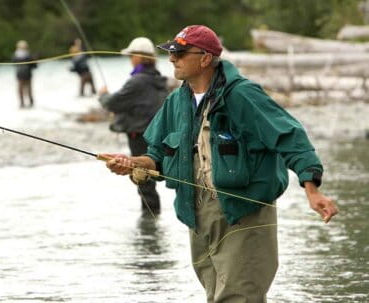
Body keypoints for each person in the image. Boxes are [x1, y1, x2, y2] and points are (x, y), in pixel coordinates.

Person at [102, 25, 338, 302]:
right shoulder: (176, 102)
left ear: (204, 58)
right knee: (216, 296)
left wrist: (312, 189)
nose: (172, 59)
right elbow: (155, 156)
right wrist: (131, 164)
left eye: (179, 53)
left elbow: (290, 138)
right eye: (170, 52)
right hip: (197, 215)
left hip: (244, 212)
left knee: (239, 296)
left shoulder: (244, 95)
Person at [98, 37, 168, 215]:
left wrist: (103, 95)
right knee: (148, 179)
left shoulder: (137, 81)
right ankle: (152, 225)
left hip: (139, 135)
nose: (130, 60)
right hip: (155, 135)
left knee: (143, 180)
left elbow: (113, 103)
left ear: (138, 57)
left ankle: (148, 223)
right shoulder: (158, 79)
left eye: (131, 56)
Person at [11, 40, 37, 108]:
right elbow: (34, 66)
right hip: (27, 74)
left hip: (20, 75)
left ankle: (22, 104)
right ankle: (30, 103)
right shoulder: (29, 55)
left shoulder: (15, 55)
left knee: (21, 90)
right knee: (28, 89)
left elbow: (13, 64)